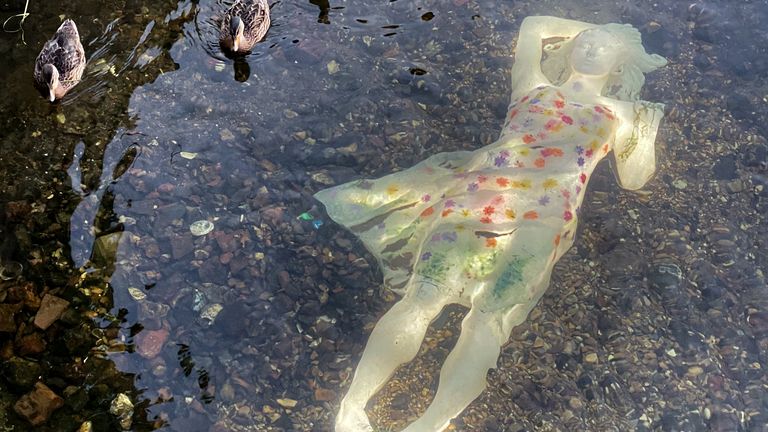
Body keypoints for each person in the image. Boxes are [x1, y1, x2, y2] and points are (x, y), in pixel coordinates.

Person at [315, 16, 668, 432]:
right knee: (422, 298)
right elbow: (534, 25)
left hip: (546, 221)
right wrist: (604, 28)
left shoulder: (623, 113)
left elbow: (635, 179)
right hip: (478, 200)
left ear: (620, 64)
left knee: (489, 320)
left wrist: (646, 129)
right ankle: (353, 406)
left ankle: (430, 422)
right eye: (586, 41)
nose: (591, 47)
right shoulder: (532, 86)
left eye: (604, 46)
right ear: (569, 46)